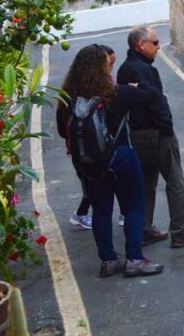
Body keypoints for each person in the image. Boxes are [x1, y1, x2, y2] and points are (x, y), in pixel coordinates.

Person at [59, 44, 164, 277]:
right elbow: (153, 95)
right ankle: (135, 259)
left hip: (89, 164)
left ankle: (108, 261)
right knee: (133, 206)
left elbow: (61, 131)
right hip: (121, 157)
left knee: (101, 211)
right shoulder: (117, 93)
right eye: (109, 65)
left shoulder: (68, 99)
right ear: (103, 68)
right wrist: (136, 85)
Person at [117, 26, 184, 248]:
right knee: (175, 182)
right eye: (155, 43)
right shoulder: (146, 71)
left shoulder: (125, 69)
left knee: (146, 183)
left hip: (137, 134)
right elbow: (156, 103)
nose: (158, 47)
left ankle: (144, 230)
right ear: (141, 45)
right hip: (157, 133)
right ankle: (180, 231)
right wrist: (167, 127)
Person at [59, 44, 118, 230]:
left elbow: (62, 130)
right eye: (108, 64)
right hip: (104, 153)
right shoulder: (106, 93)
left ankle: (83, 216)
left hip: (79, 153)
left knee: (92, 190)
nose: (111, 69)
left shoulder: (67, 95)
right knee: (104, 194)